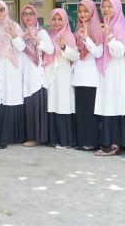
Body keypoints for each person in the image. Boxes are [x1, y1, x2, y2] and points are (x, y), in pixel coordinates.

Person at [93, 0, 125, 156]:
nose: (106, 9)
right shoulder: (105, 25)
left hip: (116, 71)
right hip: (107, 71)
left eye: (110, 6)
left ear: (117, 8)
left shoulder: (119, 26)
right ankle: (109, 142)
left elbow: (119, 52)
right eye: (103, 6)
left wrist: (109, 35)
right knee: (108, 105)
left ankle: (115, 144)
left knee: (115, 106)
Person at [0, 0, 25, 149]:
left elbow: (21, 47)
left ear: (6, 10)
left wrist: (14, 35)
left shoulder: (14, 25)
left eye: (1, 9)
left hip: (10, 66)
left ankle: (5, 138)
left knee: (9, 99)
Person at [43, 8, 79, 148]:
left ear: (65, 20)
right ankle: (54, 139)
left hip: (64, 74)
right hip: (50, 73)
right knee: (52, 105)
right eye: (54, 19)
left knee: (63, 106)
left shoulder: (69, 35)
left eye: (60, 19)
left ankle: (65, 140)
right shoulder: (47, 35)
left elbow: (75, 56)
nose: (57, 22)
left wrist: (63, 47)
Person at [20, 5, 54, 147]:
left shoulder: (41, 32)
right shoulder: (20, 33)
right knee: (27, 105)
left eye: (31, 14)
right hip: (24, 73)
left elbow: (50, 49)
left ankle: (37, 137)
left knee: (35, 106)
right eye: (25, 14)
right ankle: (29, 136)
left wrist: (36, 39)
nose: (28, 16)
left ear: (35, 16)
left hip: (37, 74)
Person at [72, 0, 103, 151]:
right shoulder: (78, 28)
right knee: (81, 111)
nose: (82, 14)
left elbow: (98, 53)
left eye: (85, 11)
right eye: (80, 11)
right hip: (78, 77)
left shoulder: (96, 28)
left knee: (90, 112)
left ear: (91, 12)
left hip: (91, 77)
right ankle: (82, 141)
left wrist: (86, 39)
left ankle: (91, 142)